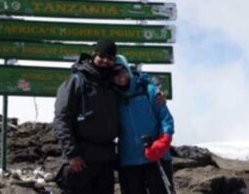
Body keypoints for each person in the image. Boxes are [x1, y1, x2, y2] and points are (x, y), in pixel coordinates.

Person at [53, 38, 119, 194]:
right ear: (94, 55)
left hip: (105, 160)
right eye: (102, 56)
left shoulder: (112, 84)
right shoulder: (76, 80)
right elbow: (62, 118)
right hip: (81, 159)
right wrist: (72, 154)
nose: (105, 61)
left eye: (110, 58)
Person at [112, 55, 175, 194]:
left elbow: (165, 118)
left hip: (156, 156)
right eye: (114, 73)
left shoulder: (148, 90)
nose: (119, 76)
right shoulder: (112, 97)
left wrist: (163, 142)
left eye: (122, 71)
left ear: (127, 70)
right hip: (129, 161)